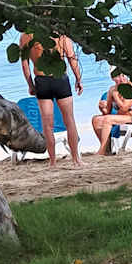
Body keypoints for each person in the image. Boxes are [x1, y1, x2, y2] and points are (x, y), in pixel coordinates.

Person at [19, 32, 83, 167]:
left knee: (47, 125)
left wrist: (30, 85)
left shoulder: (25, 36)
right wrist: (78, 79)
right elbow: (72, 58)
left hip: (41, 80)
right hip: (60, 79)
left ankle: (52, 162)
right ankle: (76, 159)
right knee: (69, 120)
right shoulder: (60, 34)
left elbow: (25, 64)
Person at [92, 71, 132, 155]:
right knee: (96, 119)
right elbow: (107, 112)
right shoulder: (112, 89)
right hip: (124, 118)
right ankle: (107, 150)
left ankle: (102, 151)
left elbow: (124, 108)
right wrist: (101, 107)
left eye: (123, 75)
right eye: (118, 76)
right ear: (112, 78)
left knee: (108, 119)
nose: (122, 79)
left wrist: (115, 95)